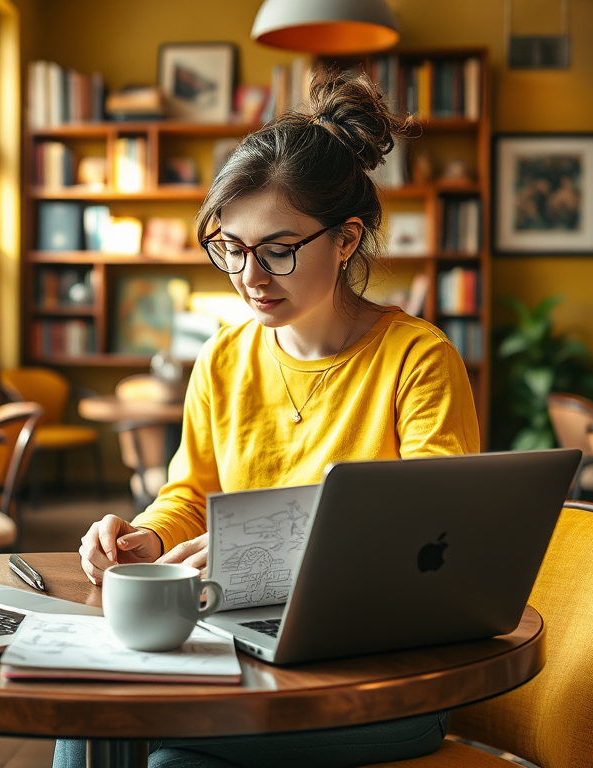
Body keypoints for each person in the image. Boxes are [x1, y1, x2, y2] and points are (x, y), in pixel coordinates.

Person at [56, 68, 480, 768]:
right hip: (242, 645)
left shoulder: (417, 357)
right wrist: (146, 540)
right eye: (231, 248)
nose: (252, 275)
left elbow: (431, 527)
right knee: (93, 713)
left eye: (279, 249)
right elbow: (189, 495)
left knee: (127, 735)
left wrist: (265, 550)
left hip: (382, 677)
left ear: (345, 240)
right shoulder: (224, 356)